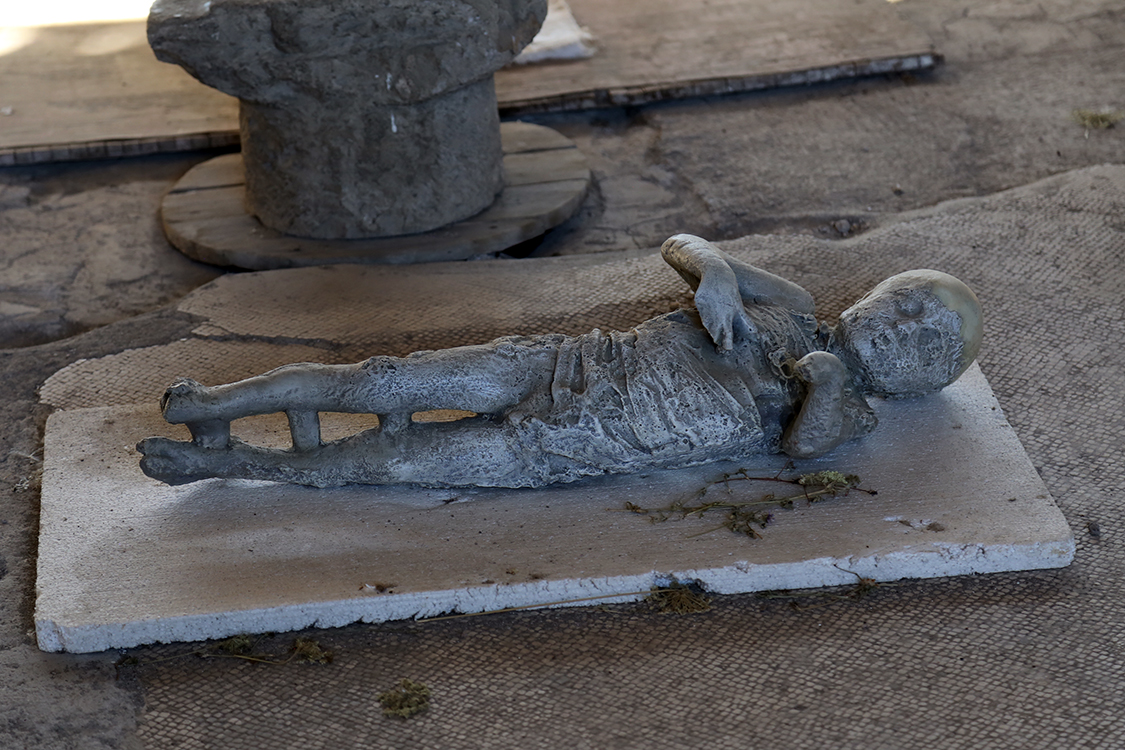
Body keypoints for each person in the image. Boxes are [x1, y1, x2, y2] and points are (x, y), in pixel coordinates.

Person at [137, 234, 982, 488]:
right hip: (565, 365)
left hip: (578, 445)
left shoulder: (854, 407)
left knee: (396, 459)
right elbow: (681, 244)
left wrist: (825, 382)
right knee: (386, 379)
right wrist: (718, 275)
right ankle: (216, 400)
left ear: (924, 380)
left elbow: (806, 444)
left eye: (926, 339)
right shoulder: (791, 303)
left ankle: (226, 464)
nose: (903, 324)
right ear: (872, 293)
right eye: (906, 300)